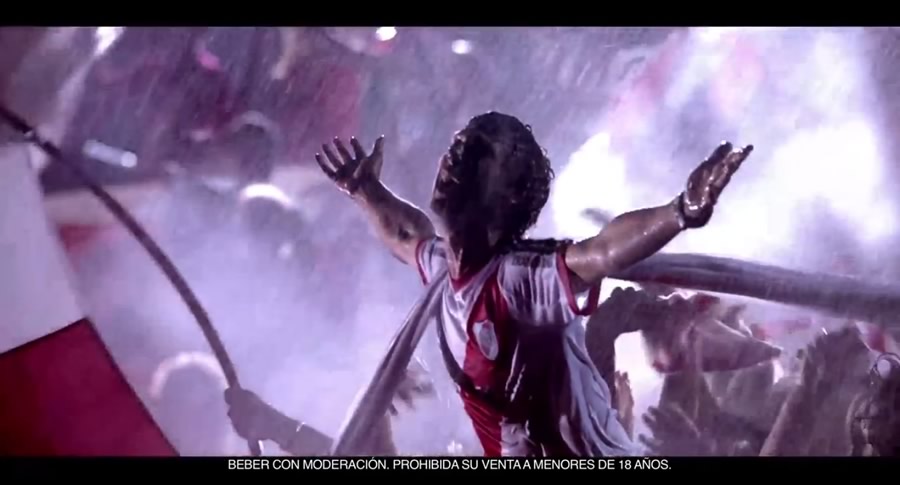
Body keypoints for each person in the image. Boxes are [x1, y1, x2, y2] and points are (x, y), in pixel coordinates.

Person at [312, 111, 752, 457]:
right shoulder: (446, 276)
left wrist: (681, 211)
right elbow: (406, 234)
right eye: (459, 143)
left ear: (509, 196)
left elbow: (600, 253)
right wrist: (365, 189)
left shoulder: (520, 279)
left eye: (479, 151)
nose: (456, 153)